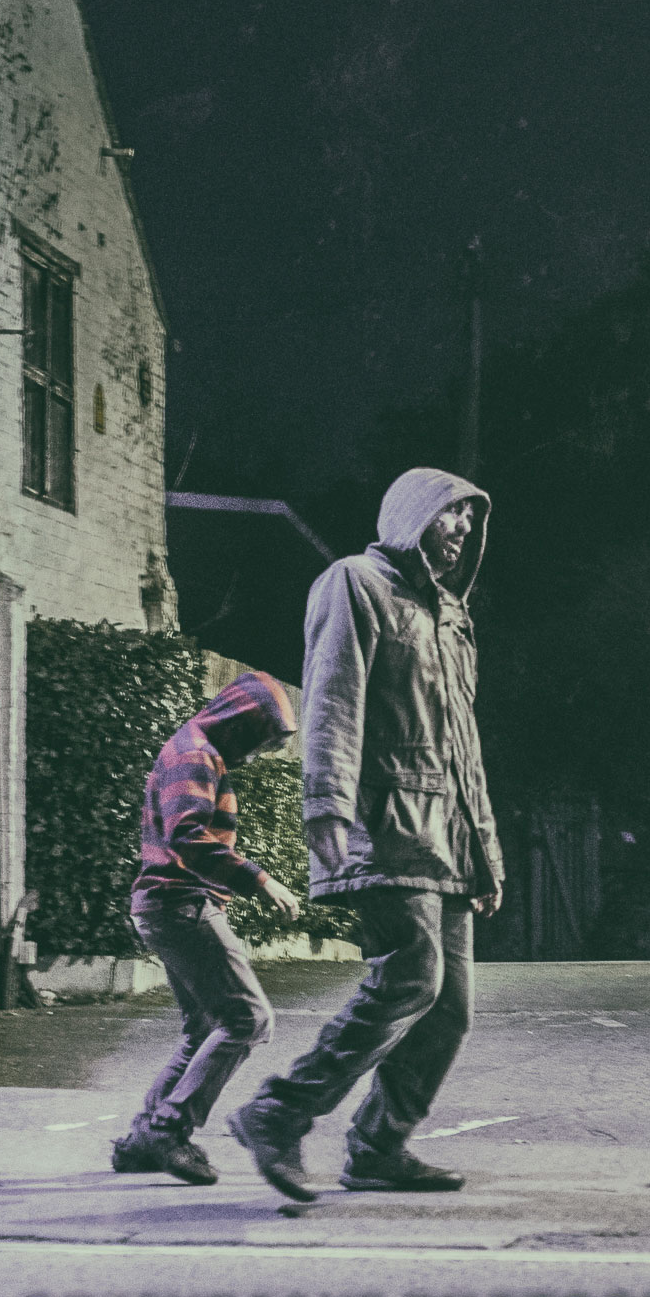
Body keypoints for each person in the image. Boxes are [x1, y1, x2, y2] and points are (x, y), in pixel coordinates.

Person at [227, 468, 505, 1202]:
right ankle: (279, 1111)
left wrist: (486, 853)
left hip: (445, 840)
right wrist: (324, 802)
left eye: (473, 523)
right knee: (413, 972)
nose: (464, 531)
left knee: (450, 1008)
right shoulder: (354, 582)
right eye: (453, 516)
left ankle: (379, 1145)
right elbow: (332, 696)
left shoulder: (449, 616)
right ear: (414, 514)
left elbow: (463, 746)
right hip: (383, 825)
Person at [111, 670, 304, 1185]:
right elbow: (187, 835)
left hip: (170, 904)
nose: (257, 752)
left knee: (203, 1030)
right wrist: (260, 880)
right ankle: (168, 1131)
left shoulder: (198, 749)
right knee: (248, 1020)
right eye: (259, 739)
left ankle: (141, 1141)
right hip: (181, 904)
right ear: (240, 722)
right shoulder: (195, 753)